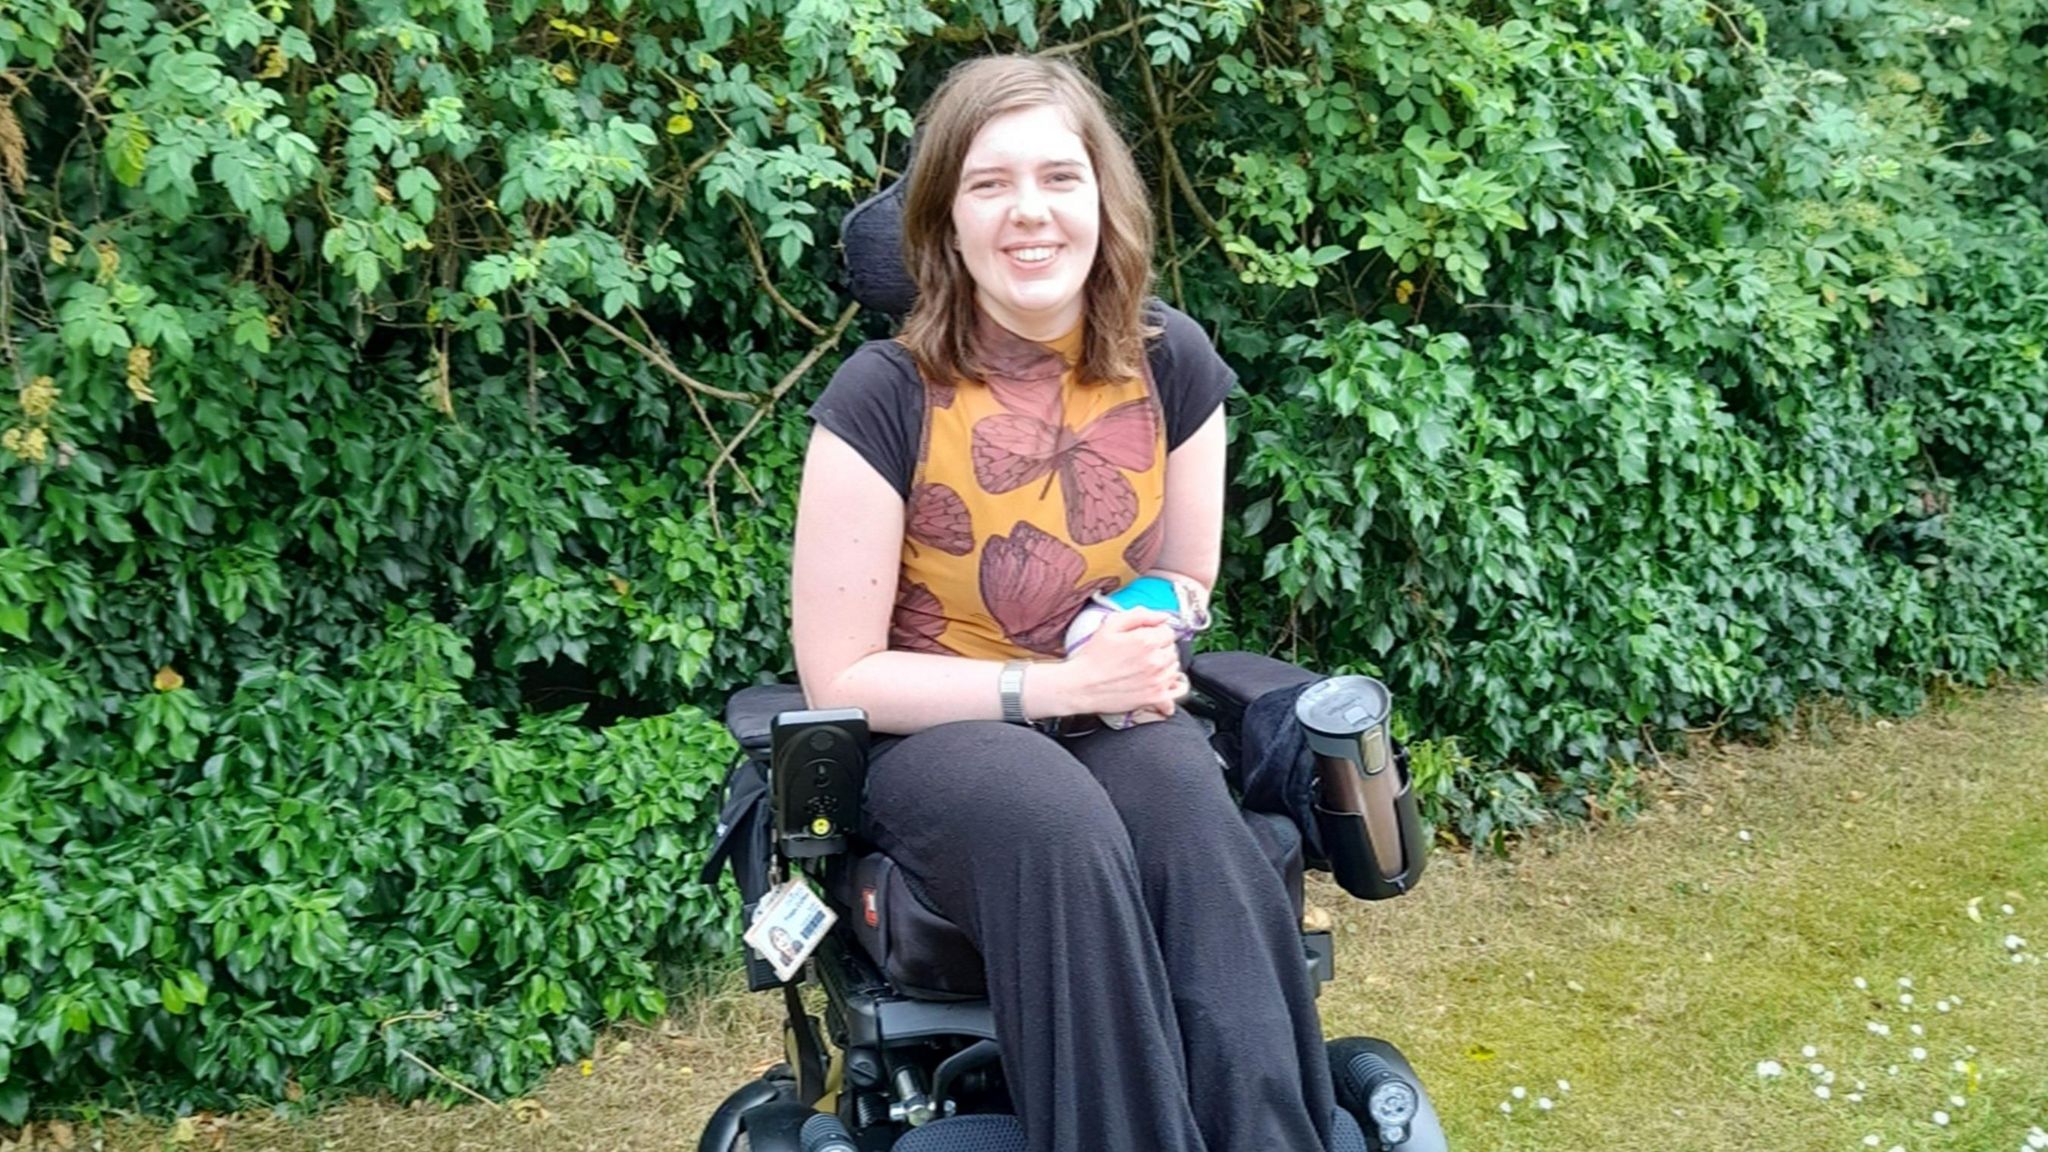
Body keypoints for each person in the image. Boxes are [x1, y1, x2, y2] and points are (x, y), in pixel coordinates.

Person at [789, 54, 1337, 1152]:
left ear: (1102, 198)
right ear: (943, 220)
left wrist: (1126, 629)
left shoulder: (1169, 361)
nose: (1028, 212)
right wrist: (1055, 684)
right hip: (936, 730)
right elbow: (838, 675)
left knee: (1190, 812)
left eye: (1057, 177)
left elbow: (1187, 574)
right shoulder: (882, 396)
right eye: (988, 185)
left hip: (1114, 707)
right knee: (1053, 822)